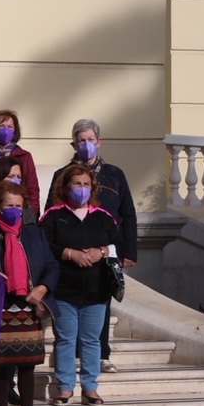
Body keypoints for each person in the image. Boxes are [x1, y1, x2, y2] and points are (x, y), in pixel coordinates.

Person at [46, 119, 138, 373]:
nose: (86, 145)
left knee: (101, 303)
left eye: (91, 139)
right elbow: (49, 213)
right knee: (69, 307)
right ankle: (73, 356)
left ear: (99, 141)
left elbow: (128, 213)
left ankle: (101, 354)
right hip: (70, 254)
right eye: (81, 140)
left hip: (105, 250)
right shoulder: (61, 175)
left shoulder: (115, 174)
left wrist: (128, 251)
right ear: (73, 144)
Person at [0, 181, 59, 406]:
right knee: (1, 365)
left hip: (28, 306)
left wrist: (44, 288)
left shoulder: (35, 234)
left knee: (27, 366)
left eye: (18, 205)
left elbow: (51, 265)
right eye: (8, 205)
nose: (14, 210)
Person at [41, 164, 122, 406]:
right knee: (65, 339)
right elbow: (43, 247)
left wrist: (101, 251)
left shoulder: (103, 217)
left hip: (97, 290)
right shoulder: (54, 215)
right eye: (77, 184)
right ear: (65, 187)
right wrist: (69, 253)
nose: (82, 189)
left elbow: (118, 247)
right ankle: (65, 387)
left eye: (86, 184)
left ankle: (90, 388)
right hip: (64, 289)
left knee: (91, 341)